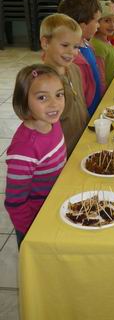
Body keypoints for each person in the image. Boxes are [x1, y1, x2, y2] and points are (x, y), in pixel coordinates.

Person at [4, 64, 67, 247]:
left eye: (59, 94)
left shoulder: (53, 123)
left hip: (54, 206)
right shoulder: (24, 150)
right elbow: (15, 202)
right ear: (24, 101)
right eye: (42, 97)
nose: (54, 104)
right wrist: (32, 235)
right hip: (35, 222)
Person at [40, 13, 89, 154]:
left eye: (76, 47)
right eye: (65, 45)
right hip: (61, 154)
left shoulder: (75, 70)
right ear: (45, 43)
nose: (72, 52)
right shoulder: (42, 83)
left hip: (82, 144)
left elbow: (81, 104)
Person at [58, 0, 105, 116]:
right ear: (82, 27)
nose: (99, 25)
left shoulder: (87, 44)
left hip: (97, 107)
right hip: (85, 115)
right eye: (97, 21)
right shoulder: (71, 59)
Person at [91, 1, 114, 87]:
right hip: (108, 93)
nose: (112, 25)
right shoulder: (98, 46)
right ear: (97, 22)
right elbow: (100, 78)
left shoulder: (106, 41)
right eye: (107, 21)